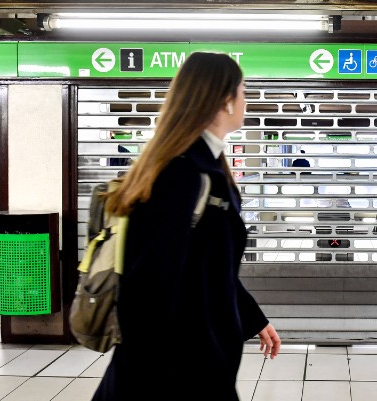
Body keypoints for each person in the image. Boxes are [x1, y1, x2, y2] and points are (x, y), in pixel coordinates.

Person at [92, 52, 280, 401]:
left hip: (192, 360)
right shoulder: (182, 176)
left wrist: (253, 318)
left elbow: (206, 265)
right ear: (225, 99)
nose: (246, 100)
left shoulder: (206, 170)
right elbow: (149, 286)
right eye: (243, 90)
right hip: (176, 371)